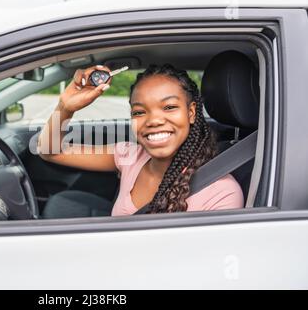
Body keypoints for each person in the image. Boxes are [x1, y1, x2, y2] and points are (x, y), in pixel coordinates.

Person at [37, 64, 243, 216]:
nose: (153, 120)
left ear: (191, 113)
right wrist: (65, 108)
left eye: (169, 107)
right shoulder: (130, 156)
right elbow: (50, 151)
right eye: (139, 112)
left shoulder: (221, 194)